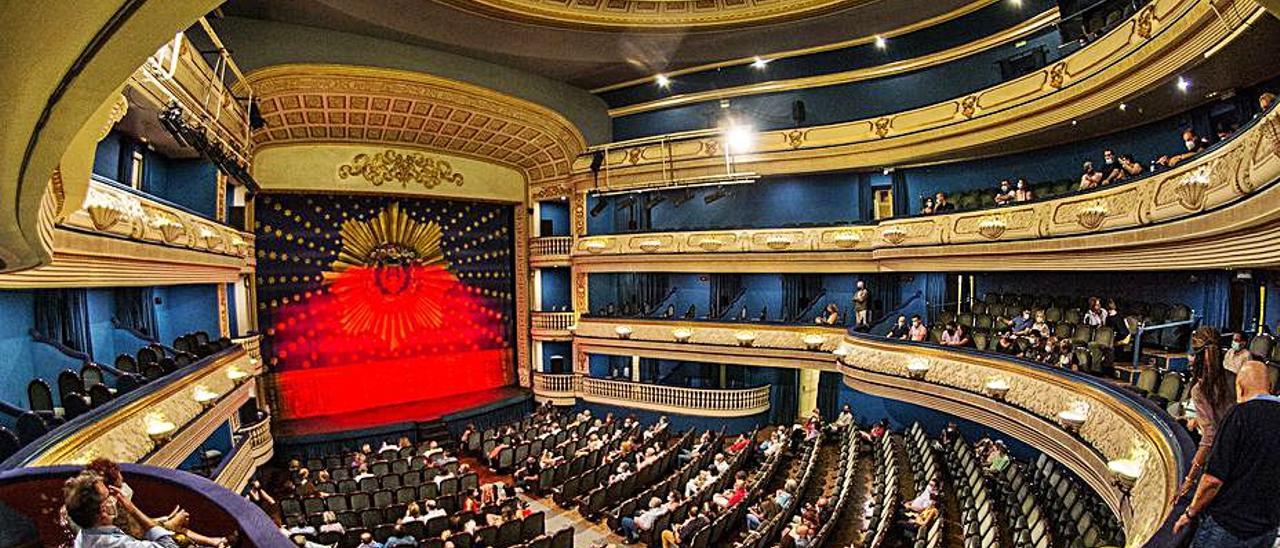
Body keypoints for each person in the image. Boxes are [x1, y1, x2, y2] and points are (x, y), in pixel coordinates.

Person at [1174, 361, 1280, 546]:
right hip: (1266, 530)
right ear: (1269, 386)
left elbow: (1212, 480)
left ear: (1240, 388)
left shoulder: (1239, 415)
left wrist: (1190, 512)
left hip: (1227, 528)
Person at [1176, 327, 1237, 500]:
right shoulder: (1236, 378)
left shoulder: (1200, 390)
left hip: (1219, 460)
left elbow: (1210, 435)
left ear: (1196, 357)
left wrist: (1189, 478)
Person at [64, 471, 184, 548]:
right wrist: (132, 509)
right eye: (108, 496)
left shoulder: (83, 534)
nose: (113, 497)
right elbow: (169, 546)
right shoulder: (115, 544)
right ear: (103, 511)